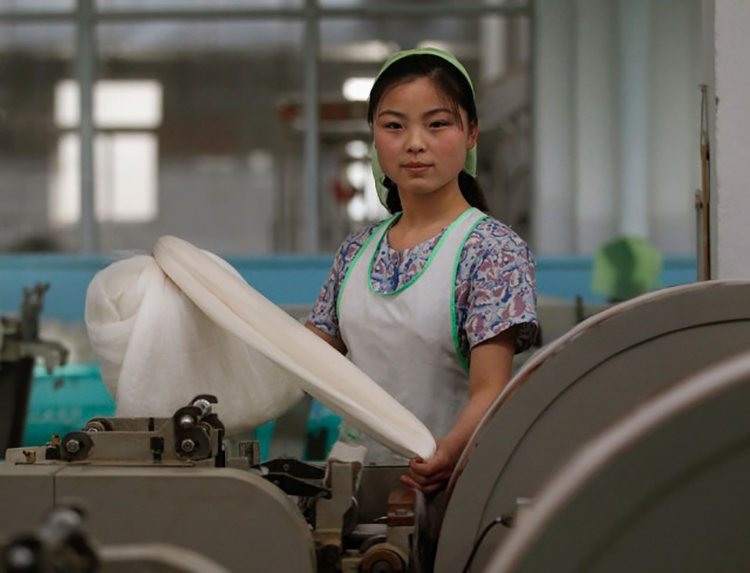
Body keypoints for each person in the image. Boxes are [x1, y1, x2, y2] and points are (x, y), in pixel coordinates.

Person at [307, 47, 537, 495]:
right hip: (354, 486)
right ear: (375, 137)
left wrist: (447, 451)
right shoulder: (356, 251)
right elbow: (304, 357)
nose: (415, 143)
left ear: (471, 133)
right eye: (394, 126)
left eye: (437, 124)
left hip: (451, 486)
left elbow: (490, 388)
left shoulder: (491, 250)